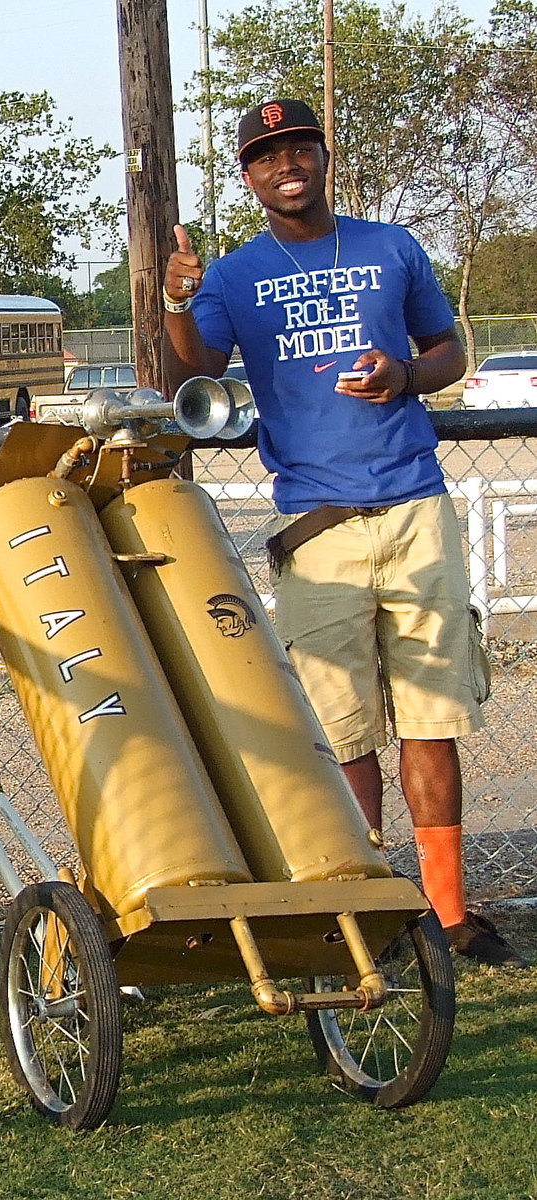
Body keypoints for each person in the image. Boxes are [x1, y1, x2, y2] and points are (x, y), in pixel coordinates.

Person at [162, 98, 525, 968]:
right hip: (315, 525)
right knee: (343, 730)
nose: (284, 164)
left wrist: (403, 373)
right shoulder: (237, 274)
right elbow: (195, 369)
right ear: (247, 177)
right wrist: (174, 298)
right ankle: (365, 907)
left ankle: (446, 912)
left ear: (323, 157)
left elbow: (449, 352)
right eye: (264, 155)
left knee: (430, 724)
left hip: (414, 509)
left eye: (298, 147)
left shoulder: (390, 247)